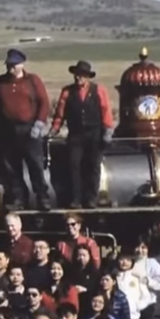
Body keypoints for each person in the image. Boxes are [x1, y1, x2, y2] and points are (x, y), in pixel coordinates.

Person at [0, 48, 51, 211]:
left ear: (22, 64)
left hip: (29, 130)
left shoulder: (33, 81)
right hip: (7, 130)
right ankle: (19, 198)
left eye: (14, 65)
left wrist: (39, 123)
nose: (11, 68)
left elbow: (44, 102)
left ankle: (42, 198)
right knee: (12, 168)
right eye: (9, 65)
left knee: (35, 165)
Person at [49, 60, 115, 209]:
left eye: (82, 75)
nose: (78, 77)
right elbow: (60, 113)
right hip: (76, 134)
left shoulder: (99, 90)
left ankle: (91, 198)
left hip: (95, 133)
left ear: (88, 77)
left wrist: (108, 131)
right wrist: (54, 129)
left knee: (94, 166)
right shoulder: (67, 92)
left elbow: (106, 111)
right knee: (74, 166)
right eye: (77, 75)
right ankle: (76, 199)